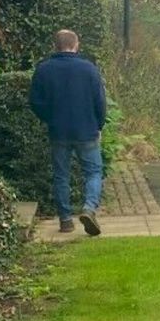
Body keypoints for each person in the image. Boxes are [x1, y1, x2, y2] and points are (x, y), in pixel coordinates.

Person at [28, 29, 108, 235]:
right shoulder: (88, 69)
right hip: (86, 129)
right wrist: (99, 125)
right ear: (76, 44)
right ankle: (89, 208)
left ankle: (65, 220)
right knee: (93, 172)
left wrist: (49, 118)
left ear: (55, 45)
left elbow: (35, 102)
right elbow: (99, 101)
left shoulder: (44, 69)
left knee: (61, 176)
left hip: (58, 131)